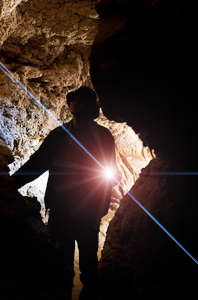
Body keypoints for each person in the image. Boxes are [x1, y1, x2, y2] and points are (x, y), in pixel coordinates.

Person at [13, 86, 119, 299]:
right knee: (61, 262)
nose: (75, 103)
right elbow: (38, 163)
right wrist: (11, 183)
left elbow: (110, 172)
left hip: (88, 210)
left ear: (90, 106)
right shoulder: (59, 135)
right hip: (61, 209)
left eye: (81, 100)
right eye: (73, 99)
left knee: (89, 265)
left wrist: (100, 206)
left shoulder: (103, 136)